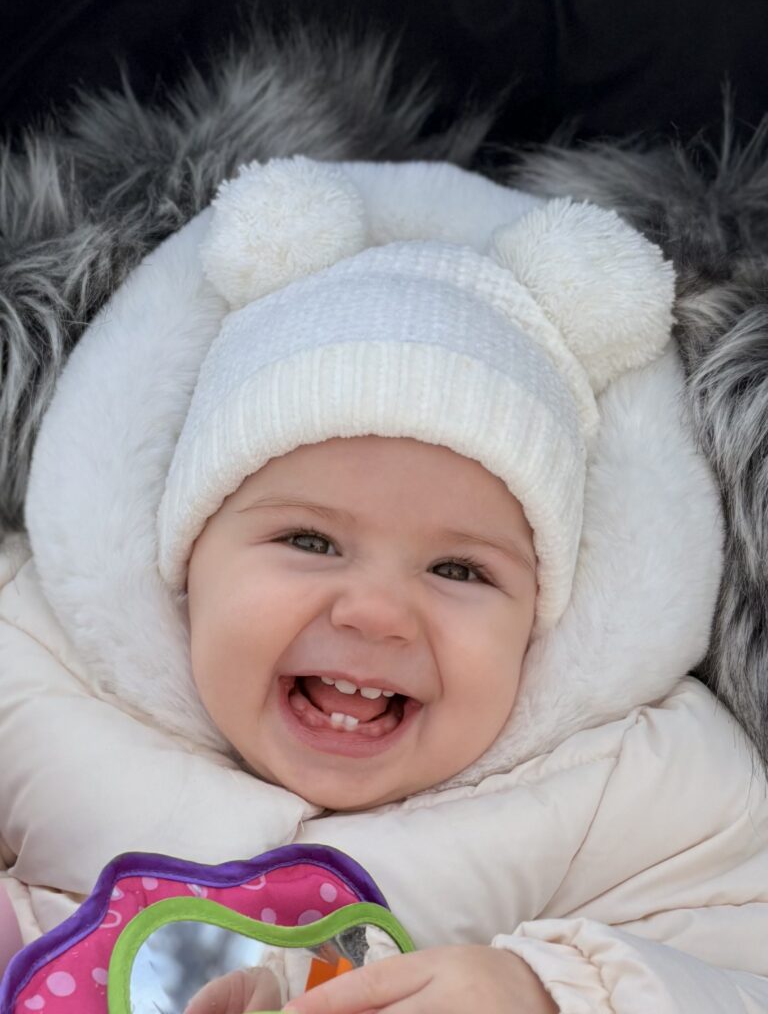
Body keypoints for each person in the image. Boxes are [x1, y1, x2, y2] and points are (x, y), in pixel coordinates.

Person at [1, 156, 768, 1014]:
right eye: (310, 541)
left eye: (459, 569)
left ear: (542, 613)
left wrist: (556, 995)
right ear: (185, 555)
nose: (376, 612)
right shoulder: (33, 671)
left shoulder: (633, 785)